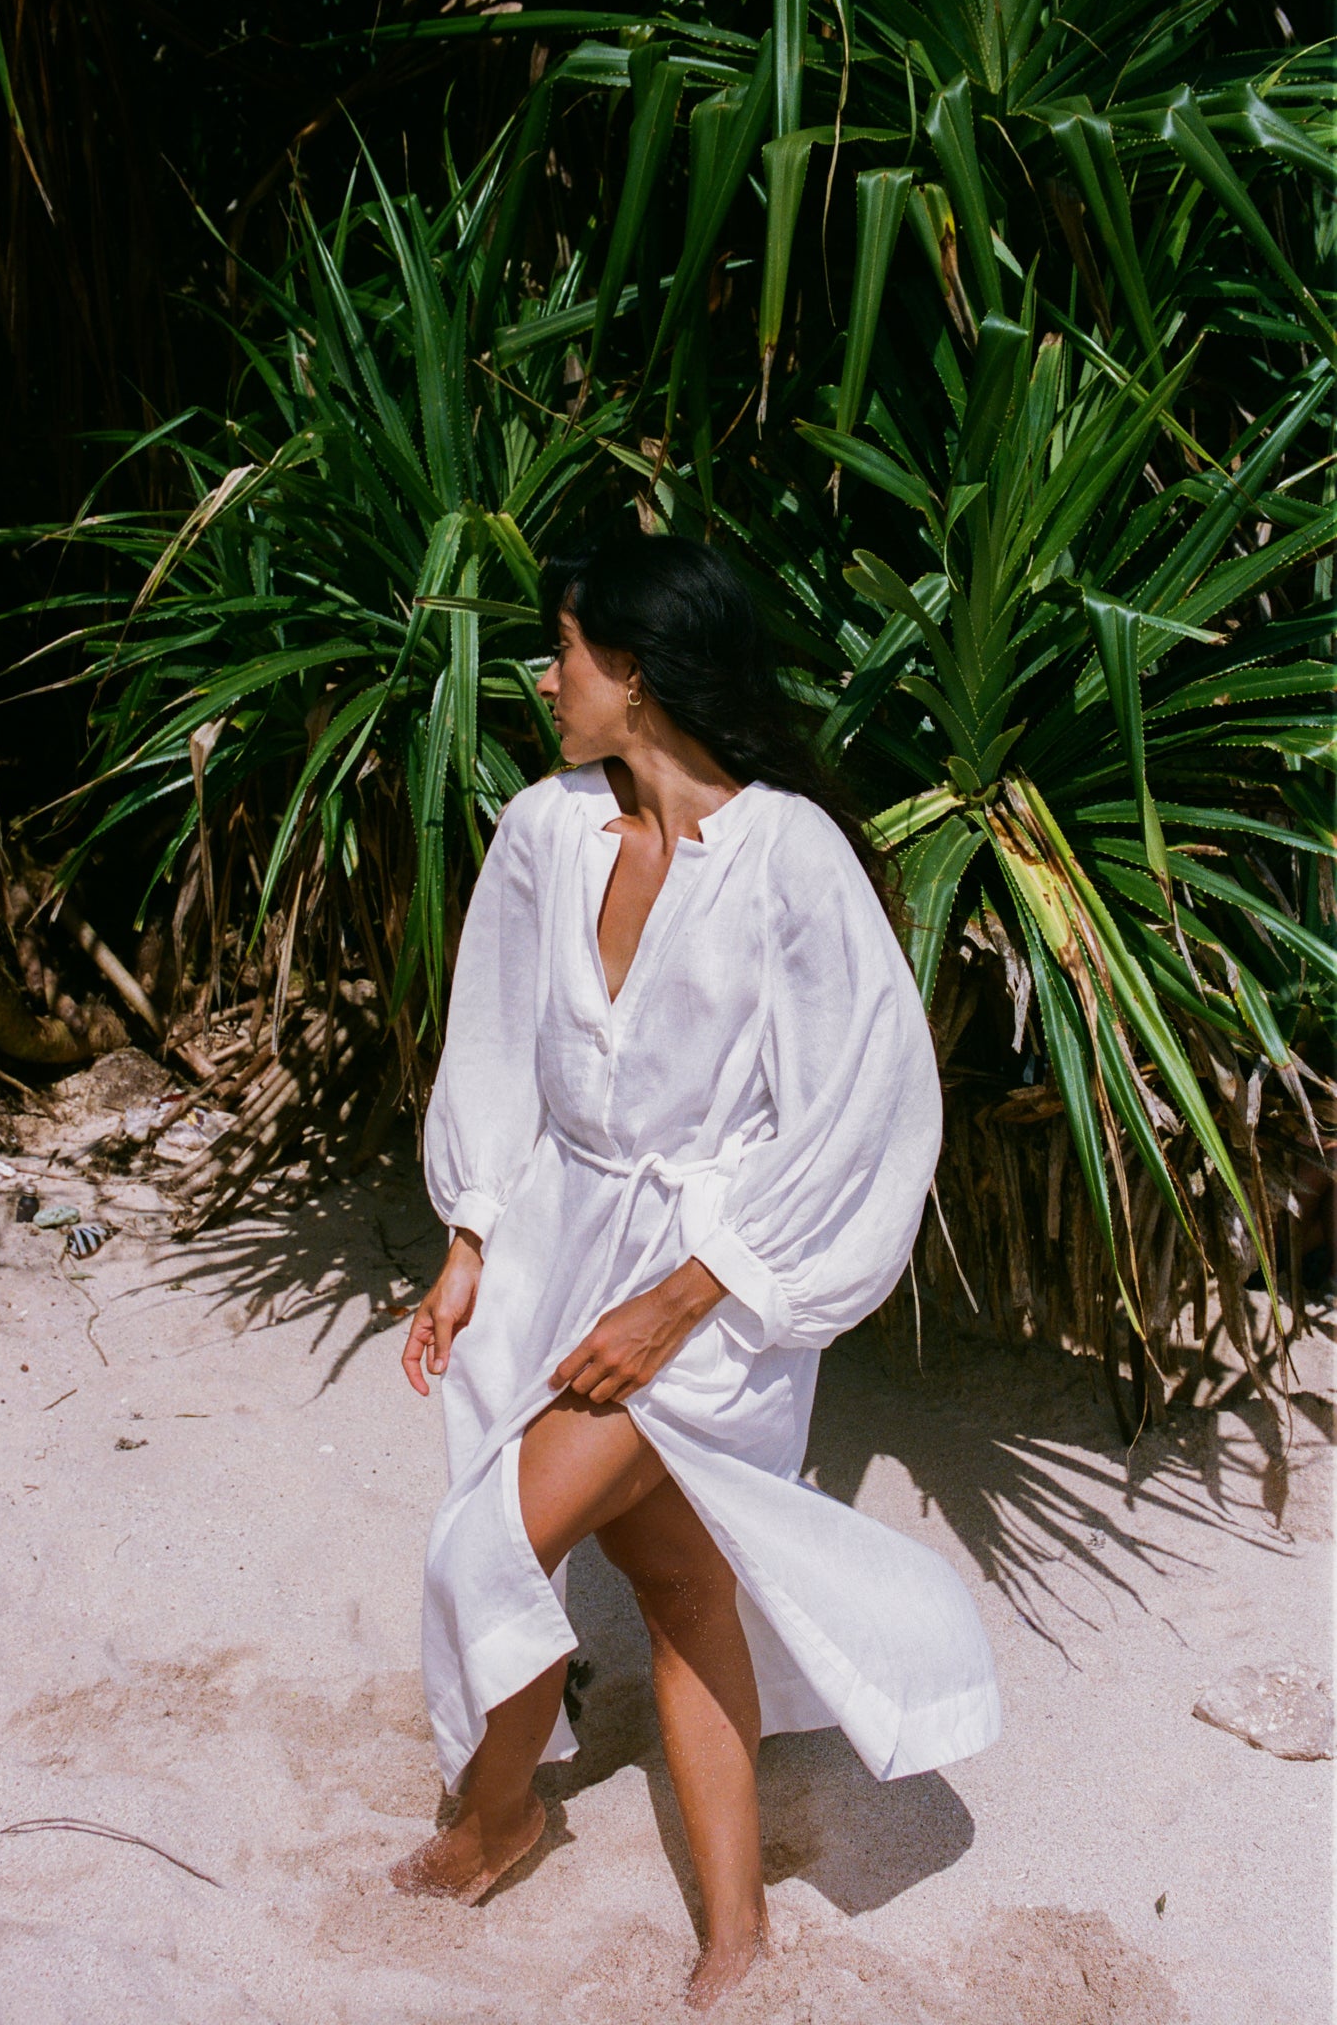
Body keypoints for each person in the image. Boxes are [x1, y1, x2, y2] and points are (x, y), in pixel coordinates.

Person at [393, 529, 1000, 2008]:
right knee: (677, 1583)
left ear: (639, 674)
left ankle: (496, 1818)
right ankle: (737, 1928)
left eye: (565, 651)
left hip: (721, 1280)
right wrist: (472, 1237)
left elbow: (860, 1106)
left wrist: (679, 1301)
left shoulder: (789, 856)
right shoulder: (545, 832)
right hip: (558, 1243)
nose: (544, 681)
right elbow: (495, 1044)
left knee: (491, 1544)